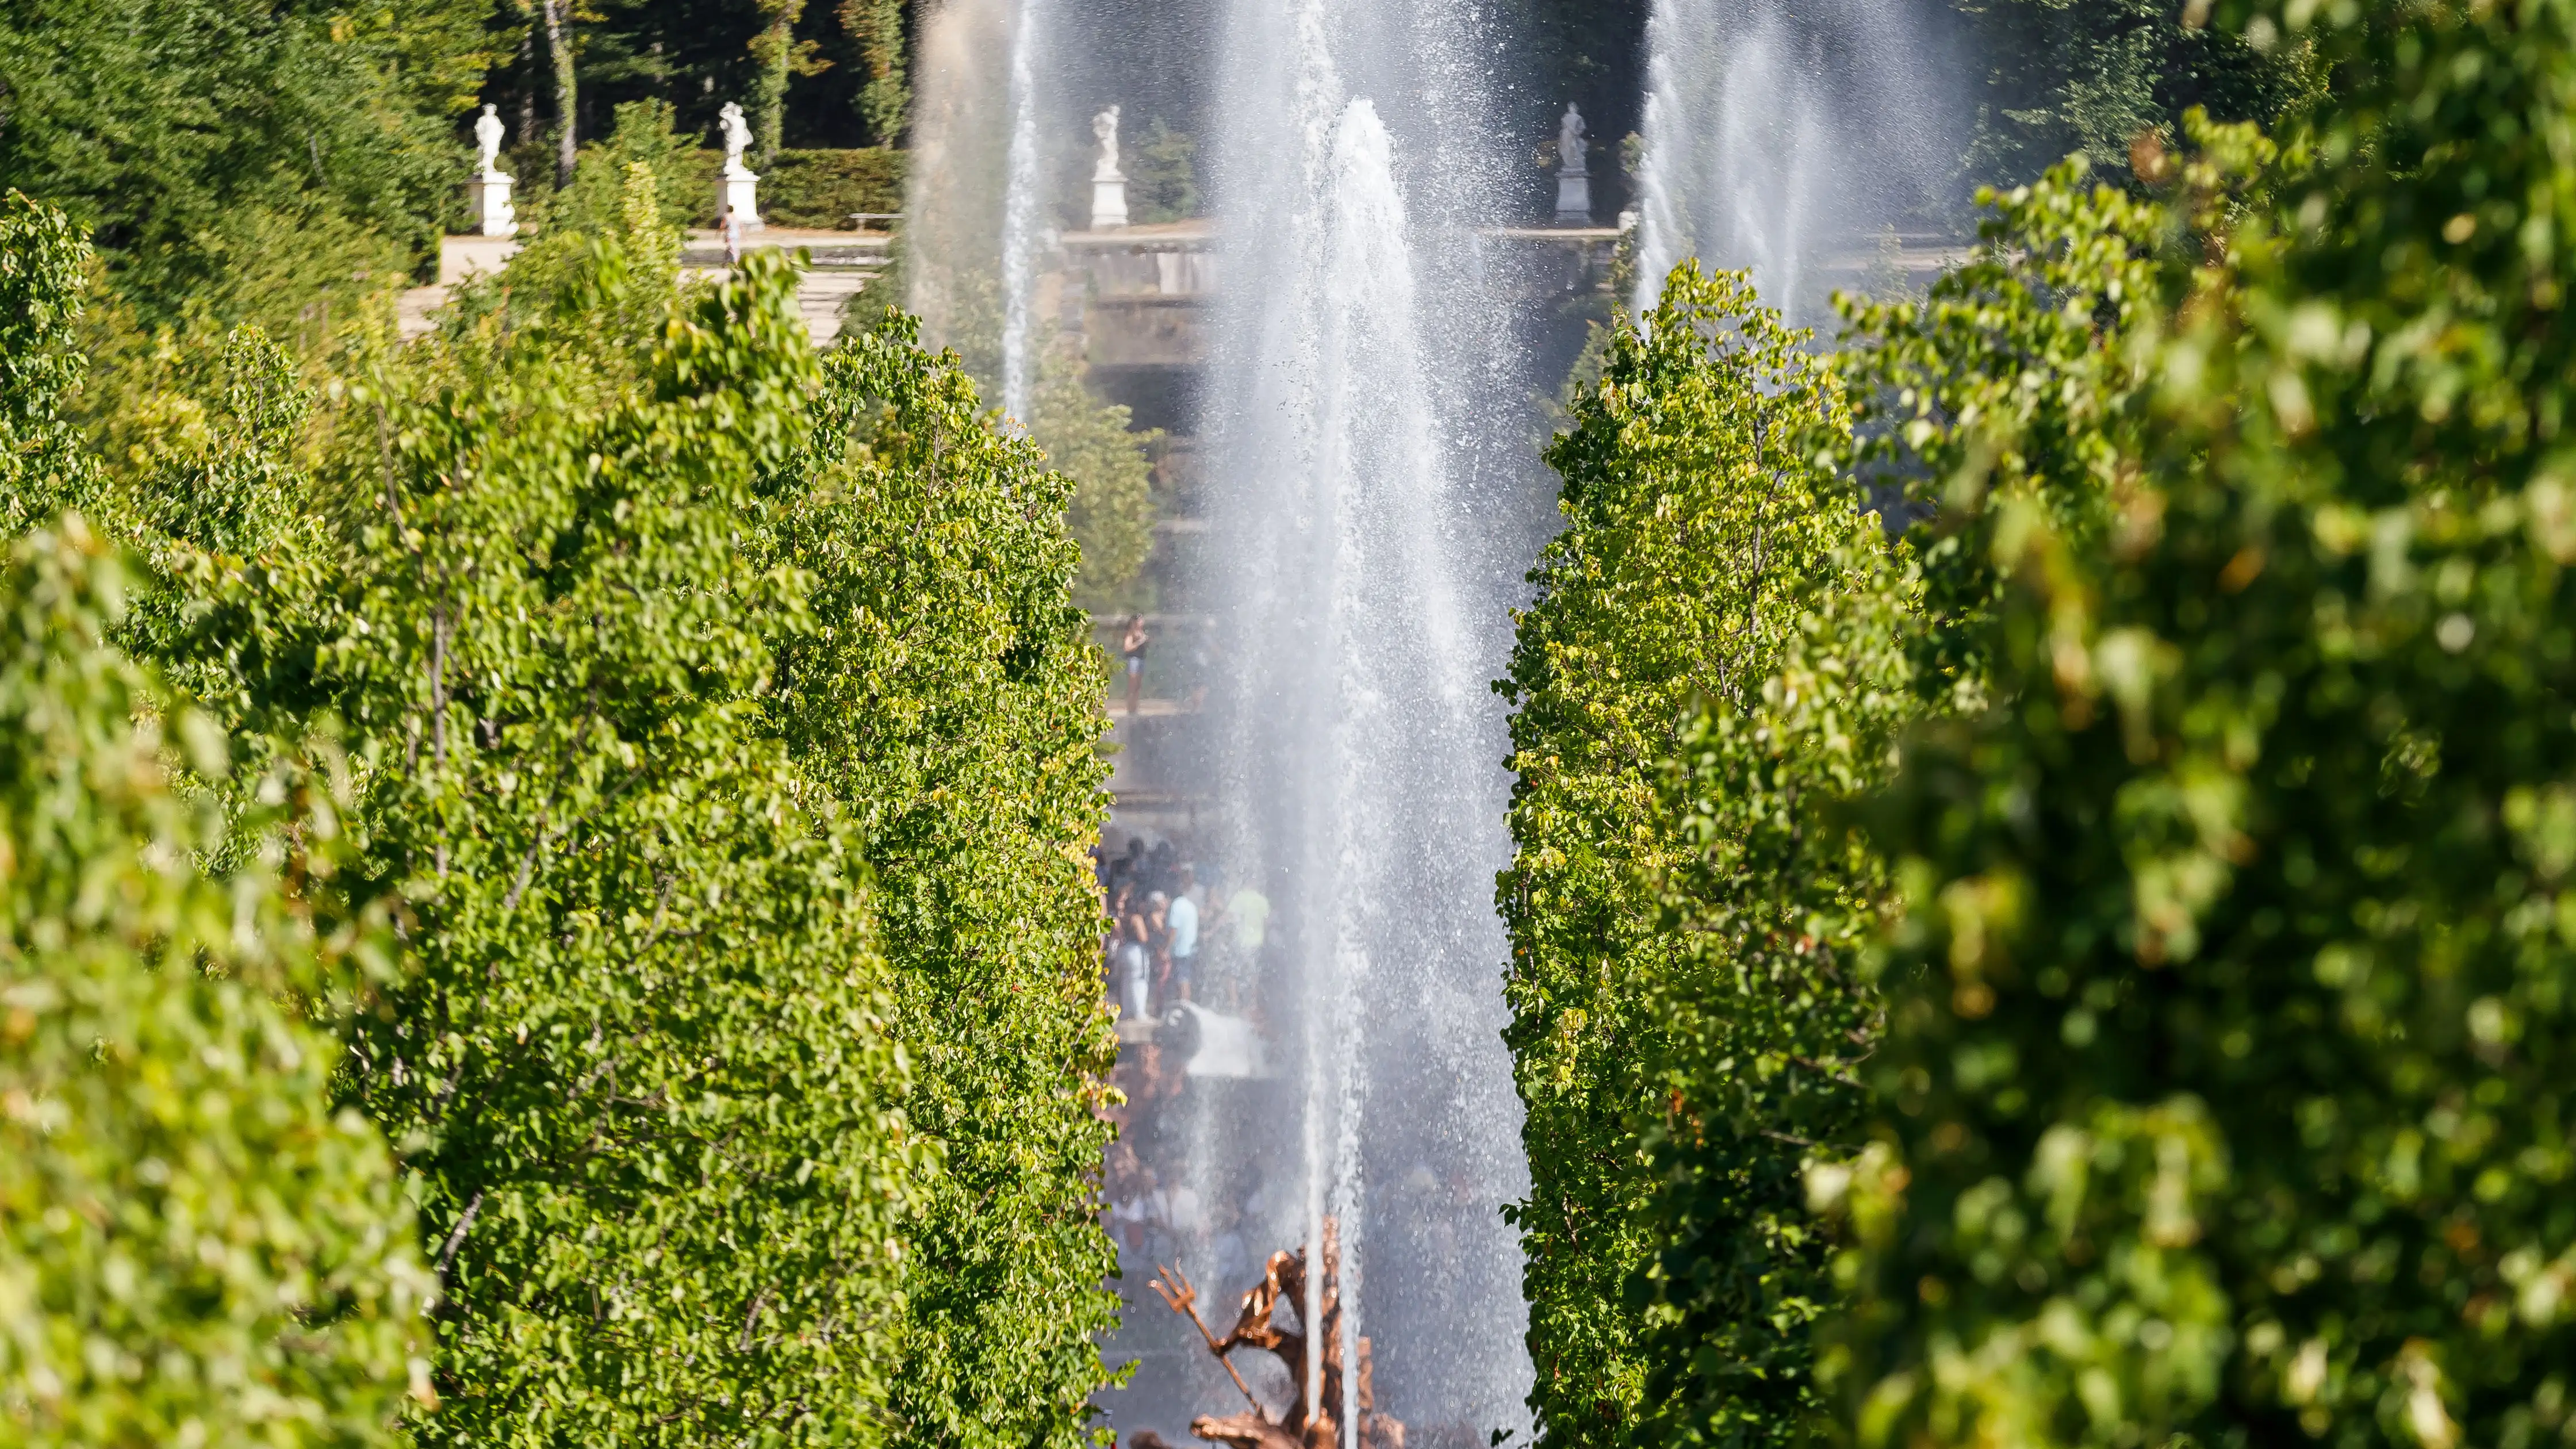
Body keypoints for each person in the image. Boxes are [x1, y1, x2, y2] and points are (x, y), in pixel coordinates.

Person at [1166, 864, 1201, 1003]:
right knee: (1185, 977)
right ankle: (1184, 1005)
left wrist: (1167, 948)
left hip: (1180, 950)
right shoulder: (1191, 905)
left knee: (1182, 979)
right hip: (1191, 948)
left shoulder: (1176, 906)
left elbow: (1174, 930)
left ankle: (1184, 1006)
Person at [1120, 614, 1150, 716]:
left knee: (1138, 685)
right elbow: (1127, 648)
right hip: (1133, 660)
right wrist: (1139, 642)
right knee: (1132, 685)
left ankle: (1135, 708)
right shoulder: (1131, 633)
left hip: (1141, 660)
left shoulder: (1142, 633)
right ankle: (1130, 708)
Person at [720, 205, 744, 269]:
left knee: (733, 249)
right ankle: (725, 262)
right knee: (732, 248)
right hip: (737, 234)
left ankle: (736, 263)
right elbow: (740, 226)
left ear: (727, 210)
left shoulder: (726, 216)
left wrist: (720, 230)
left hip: (730, 234)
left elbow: (723, 226)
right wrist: (743, 235)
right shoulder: (736, 217)